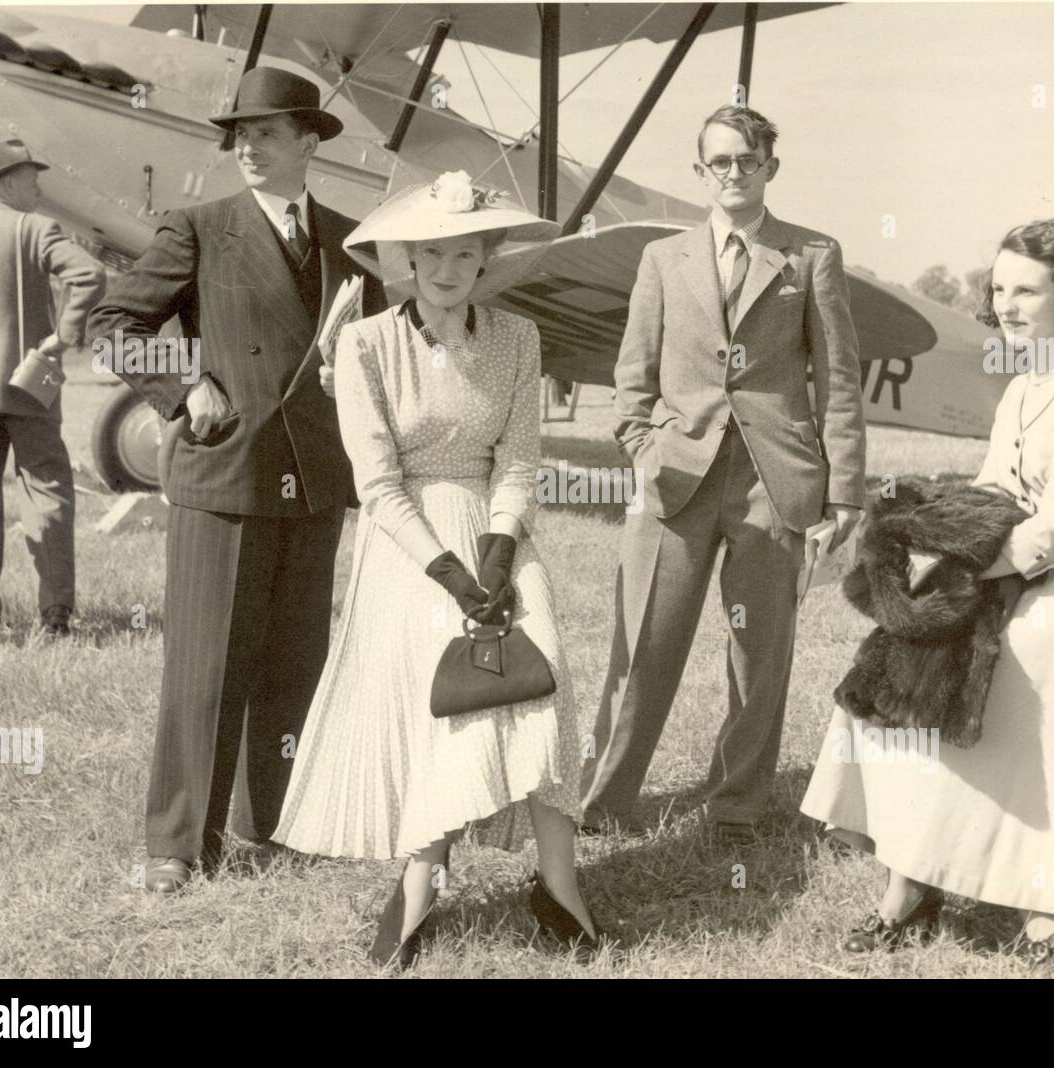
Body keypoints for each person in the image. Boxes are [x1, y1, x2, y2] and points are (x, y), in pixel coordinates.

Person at [801, 219, 1054, 968]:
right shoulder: (1025, 386)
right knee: (902, 681)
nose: (1009, 305)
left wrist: (952, 572)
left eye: (1028, 289)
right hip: (1012, 573)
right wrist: (924, 538)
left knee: (1039, 730)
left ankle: (1047, 915)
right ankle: (912, 883)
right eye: (999, 290)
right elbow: (994, 492)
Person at [271, 173, 599, 969]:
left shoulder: (517, 338)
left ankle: (561, 888)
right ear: (406, 261)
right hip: (412, 549)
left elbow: (520, 461)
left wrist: (498, 557)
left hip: (498, 534)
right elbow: (377, 485)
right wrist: (454, 578)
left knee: (541, 679)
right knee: (449, 704)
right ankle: (422, 882)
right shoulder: (365, 344)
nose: (448, 268)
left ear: (487, 258)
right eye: (430, 254)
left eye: (465, 252)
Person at [87, 68, 383, 893]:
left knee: (296, 659)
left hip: (317, 478)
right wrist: (181, 388)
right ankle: (178, 845)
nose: (246, 146)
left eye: (265, 132)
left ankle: (278, 820)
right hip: (226, 472)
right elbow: (112, 321)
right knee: (208, 663)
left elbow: (379, 354)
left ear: (308, 141)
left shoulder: (352, 243)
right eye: (238, 134)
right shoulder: (198, 228)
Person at [580, 105, 867, 843]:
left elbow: (838, 380)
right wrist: (646, 451)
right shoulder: (663, 258)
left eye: (747, 160)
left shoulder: (812, 256)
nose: (733, 173)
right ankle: (603, 803)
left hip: (775, 481)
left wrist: (843, 493)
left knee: (759, 652)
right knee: (645, 640)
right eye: (719, 162)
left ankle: (737, 805)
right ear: (699, 172)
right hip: (677, 476)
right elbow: (632, 378)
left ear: (770, 167)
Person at [0, 139, 105, 636]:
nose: (38, 187)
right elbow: (89, 273)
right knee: (45, 492)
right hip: (30, 386)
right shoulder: (35, 228)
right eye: (33, 178)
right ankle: (55, 615)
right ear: (8, 181)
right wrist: (64, 338)